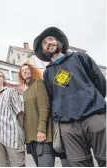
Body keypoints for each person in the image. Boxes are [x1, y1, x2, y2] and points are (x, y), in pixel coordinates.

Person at [33, 27, 106, 167]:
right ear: (43, 51)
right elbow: (51, 97)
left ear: (58, 42)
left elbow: (100, 82)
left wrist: (92, 100)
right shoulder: (47, 73)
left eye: (50, 39)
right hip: (68, 125)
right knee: (79, 164)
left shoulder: (79, 57)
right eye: (44, 43)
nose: (48, 43)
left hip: (94, 116)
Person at [18, 62, 55, 167]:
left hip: (42, 135)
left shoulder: (39, 83)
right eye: (22, 70)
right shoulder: (25, 92)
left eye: (27, 69)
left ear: (32, 71)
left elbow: (44, 107)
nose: (24, 71)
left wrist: (42, 129)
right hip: (30, 137)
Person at [0, 70, 25, 167]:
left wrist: (23, 132)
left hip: (11, 136)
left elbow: (19, 113)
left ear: (3, 79)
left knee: (18, 164)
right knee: (1, 165)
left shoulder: (10, 91)